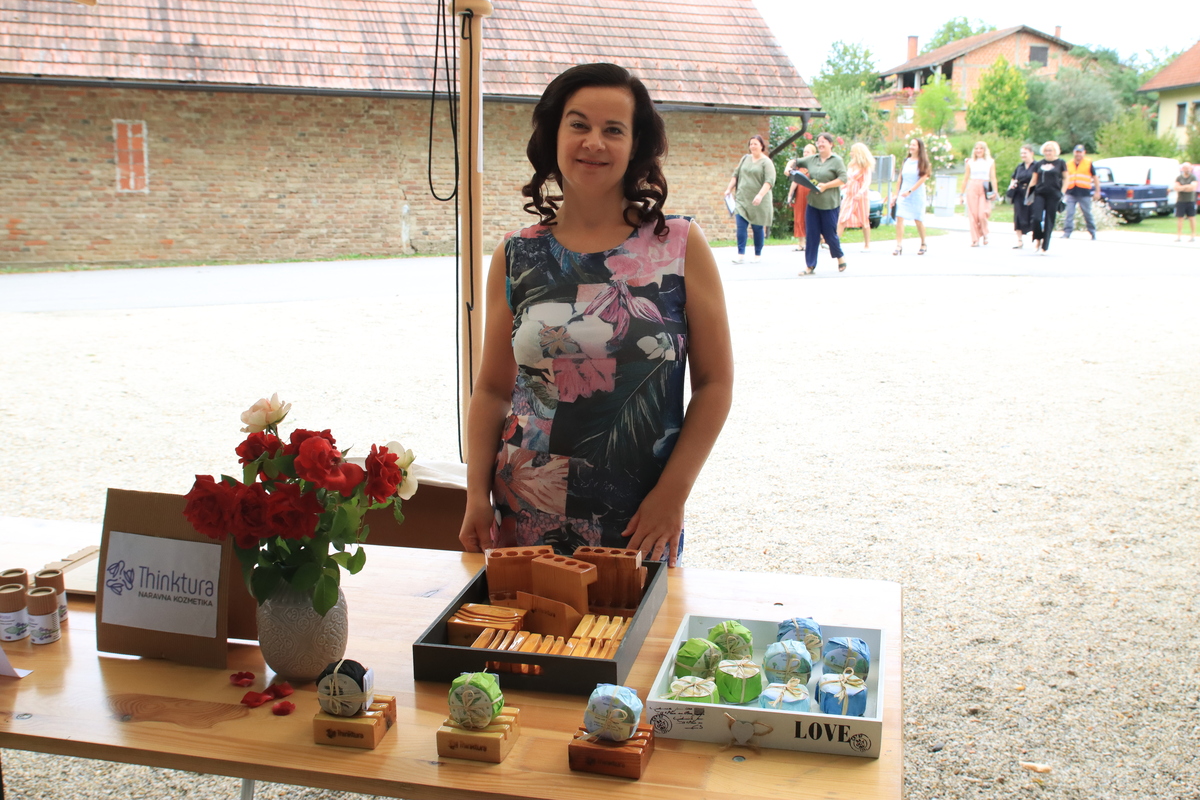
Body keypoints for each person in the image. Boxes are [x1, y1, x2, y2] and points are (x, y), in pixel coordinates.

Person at [457, 63, 734, 568]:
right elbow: (493, 389)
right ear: (554, 135)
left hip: (638, 516)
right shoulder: (516, 254)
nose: (594, 143)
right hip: (524, 507)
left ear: (635, 145)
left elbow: (715, 385)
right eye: (579, 124)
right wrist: (476, 494)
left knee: (638, 621)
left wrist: (672, 494)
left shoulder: (677, 245)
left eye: (613, 130)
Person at [793, 132, 848, 274]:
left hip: (829, 204)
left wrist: (826, 186)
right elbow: (795, 161)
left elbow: (843, 179)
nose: (820, 144)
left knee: (830, 234)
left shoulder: (836, 161)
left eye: (824, 141)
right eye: (818, 142)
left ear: (831, 144)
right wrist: (788, 169)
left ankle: (839, 257)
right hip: (813, 203)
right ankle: (810, 266)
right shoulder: (812, 159)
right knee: (811, 234)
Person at [724, 134, 775, 263]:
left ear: (761, 146)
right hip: (742, 199)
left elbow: (769, 181)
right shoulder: (745, 159)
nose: (753, 146)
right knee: (741, 226)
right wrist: (729, 189)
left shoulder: (766, 162)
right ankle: (740, 254)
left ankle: (757, 254)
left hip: (758, 200)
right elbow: (736, 175)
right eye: (751, 144)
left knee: (757, 228)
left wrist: (760, 195)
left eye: (755, 144)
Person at [893, 137, 931, 255]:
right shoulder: (906, 161)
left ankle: (923, 242)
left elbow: (923, 178)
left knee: (918, 219)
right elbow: (900, 178)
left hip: (916, 194)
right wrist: (896, 193)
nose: (911, 147)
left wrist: (910, 191)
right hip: (903, 194)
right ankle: (899, 245)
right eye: (910, 144)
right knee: (899, 217)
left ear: (919, 147)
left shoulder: (923, 162)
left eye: (914, 145)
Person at [1028, 141, 1066, 254]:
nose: (1048, 152)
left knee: (1049, 220)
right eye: (1046, 150)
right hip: (1040, 193)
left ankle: (1045, 245)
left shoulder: (1061, 163)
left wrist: (1062, 192)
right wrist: (1028, 195)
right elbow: (1034, 180)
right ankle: (1037, 238)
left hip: (1054, 194)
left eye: (1050, 150)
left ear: (1055, 151)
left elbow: (1066, 178)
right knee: (1036, 218)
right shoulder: (1039, 164)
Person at [837, 142, 876, 252]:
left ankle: (867, 245)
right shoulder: (851, 165)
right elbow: (847, 180)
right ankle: (835, 242)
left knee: (864, 220)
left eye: (852, 151)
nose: (851, 153)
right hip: (849, 195)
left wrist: (860, 192)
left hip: (861, 197)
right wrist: (840, 187)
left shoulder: (865, 166)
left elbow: (867, 181)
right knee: (842, 218)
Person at [963, 141, 999, 246]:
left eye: (981, 148)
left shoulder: (990, 162)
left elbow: (993, 178)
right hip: (973, 186)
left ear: (984, 150)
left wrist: (995, 191)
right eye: (976, 148)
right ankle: (975, 239)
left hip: (985, 186)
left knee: (982, 213)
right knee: (973, 214)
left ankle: (985, 232)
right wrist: (961, 194)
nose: (978, 150)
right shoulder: (970, 162)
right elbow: (965, 178)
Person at [1062, 144, 1100, 240]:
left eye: (1080, 152)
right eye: (1077, 152)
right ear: (1074, 152)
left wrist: (1097, 191)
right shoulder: (1068, 164)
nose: (1078, 154)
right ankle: (1067, 232)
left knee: (1087, 213)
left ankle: (1092, 232)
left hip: (1084, 193)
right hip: (1071, 192)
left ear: (1084, 153)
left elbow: (1095, 178)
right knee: (1069, 213)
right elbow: (1064, 178)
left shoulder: (1088, 163)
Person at [785, 143, 817, 250]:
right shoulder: (800, 166)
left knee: (813, 217)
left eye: (808, 152)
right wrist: (790, 194)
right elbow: (795, 181)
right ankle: (801, 243)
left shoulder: (816, 165)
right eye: (804, 152)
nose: (805, 153)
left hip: (812, 194)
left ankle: (815, 241)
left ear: (813, 153)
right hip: (800, 194)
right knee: (799, 217)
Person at [1008, 144, 1037, 249]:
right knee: (1018, 216)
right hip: (1019, 193)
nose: (1023, 155)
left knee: (1033, 216)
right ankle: (1019, 241)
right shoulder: (1020, 166)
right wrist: (1012, 185)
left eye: (1025, 153)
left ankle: (1037, 239)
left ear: (1031, 153)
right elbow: (1014, 177)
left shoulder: (1036, 165)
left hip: (1032, 193)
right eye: (1021, 153)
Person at [1172, 162, 1196, 242]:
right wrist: (1187, 187)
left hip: (1190, 200)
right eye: (1186, 168)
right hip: (1181, 201)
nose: (1188, 170)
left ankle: (1193, 235)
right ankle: (1179, 236)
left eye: (1189, 168)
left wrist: (1182, 187)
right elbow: (1176, 187)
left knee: (1191, 218)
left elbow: (1193, 187)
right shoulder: (1179, 178)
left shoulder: (1193, 177)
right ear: (1183, 169)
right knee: (1180, 218)